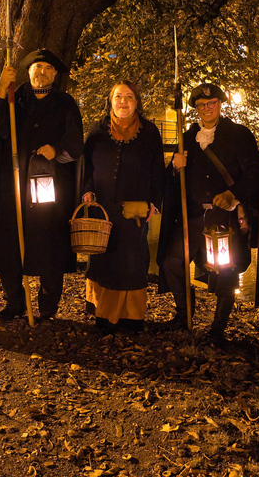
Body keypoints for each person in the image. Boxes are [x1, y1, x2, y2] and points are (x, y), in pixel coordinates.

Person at [157, 83, 259, 343]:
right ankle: (184, 313)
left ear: (220, 104)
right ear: (195, 109)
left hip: (224, 217)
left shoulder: (239, 134)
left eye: (211, 103)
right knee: (171, 261)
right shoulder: (187, 137)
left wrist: (233, 194)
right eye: (201, 105)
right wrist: (174, 166)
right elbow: (171, 181)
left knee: (226, 272)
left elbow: (256, 171)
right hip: (193, 216)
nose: (206, 108)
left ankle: (218, 328)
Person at [0, 49, 84, 321]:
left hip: (50, 189)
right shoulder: (13, 99)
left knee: (51, 245)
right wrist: (1, 88)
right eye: (37, 67)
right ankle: (14, 302)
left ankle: (47, 307)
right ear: (28, 71)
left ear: (55, 74)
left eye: (48, 68)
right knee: (11, 244)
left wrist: (57, 149)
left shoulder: (65, 103)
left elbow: (75, 144)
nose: (42, 72)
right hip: (14, 185)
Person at [81, 81, 165, 332]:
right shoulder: (98, 130)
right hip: (102, 206)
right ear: (111, 100)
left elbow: (157, 169)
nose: (123, 101)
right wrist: (87, 190)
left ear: (137, 101)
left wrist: (154, 203)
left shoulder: (149, 132)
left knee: (131, 262)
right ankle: (103, 315)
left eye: (129, 96)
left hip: (135, 210)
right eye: (118, 96)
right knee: (102, 260)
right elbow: (86, 166)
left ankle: (131, 318)